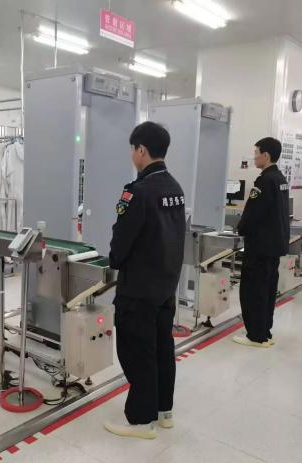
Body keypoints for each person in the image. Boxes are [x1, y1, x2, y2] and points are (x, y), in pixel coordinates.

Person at [105, 122, 185, 439]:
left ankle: (141, 420)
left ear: (141, 150)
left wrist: (114, 259)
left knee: (137, 353)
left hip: (138, 289)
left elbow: (122, 239)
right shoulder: (175, 188)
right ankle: (164, 411)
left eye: (132, 149)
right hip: (165, 287)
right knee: (162, 349)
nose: (132, 155)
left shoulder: (137, 191)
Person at [234, 137, 290, 348]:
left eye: (256, 153)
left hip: (259, 246)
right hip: (273, 245)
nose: (254, 157)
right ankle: (264, 331)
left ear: (266, 155)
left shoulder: (265, 181)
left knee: (253, 290)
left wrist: (240, 229)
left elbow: (252, 214)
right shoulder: (280, 179)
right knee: (267, 290)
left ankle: (256, 336)